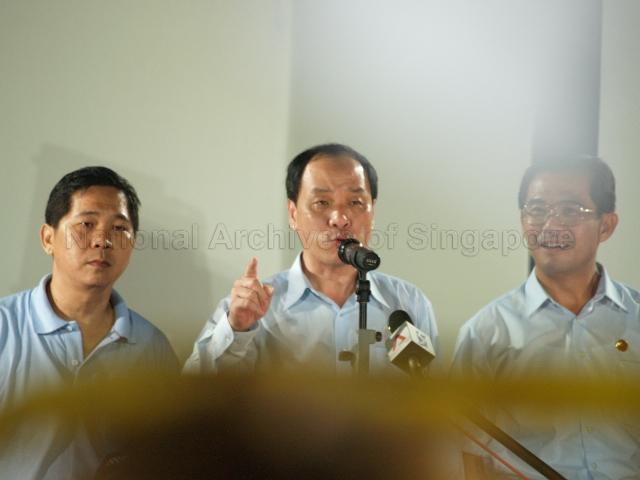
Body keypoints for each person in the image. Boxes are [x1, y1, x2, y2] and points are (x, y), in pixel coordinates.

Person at [451, 156, 640, 478]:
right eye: (537, 210)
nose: (551, 226)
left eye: (570, 210)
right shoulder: (486, 333)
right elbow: (471, 455)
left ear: (606, 225)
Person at [185, 143, 439, 375]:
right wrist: (237, 329)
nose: (340, 218)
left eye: (355, 202)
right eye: (322, 202)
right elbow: (194, 397)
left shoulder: (409, 303)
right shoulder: (254, 307)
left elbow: (437, 404)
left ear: (373, 212)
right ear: (293, 214)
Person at [0, 166, 178, 479]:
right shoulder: (5, 326)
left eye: (119, 229)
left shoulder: (152, 346)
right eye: (86, 224)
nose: (102, 240)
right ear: (48, 238)